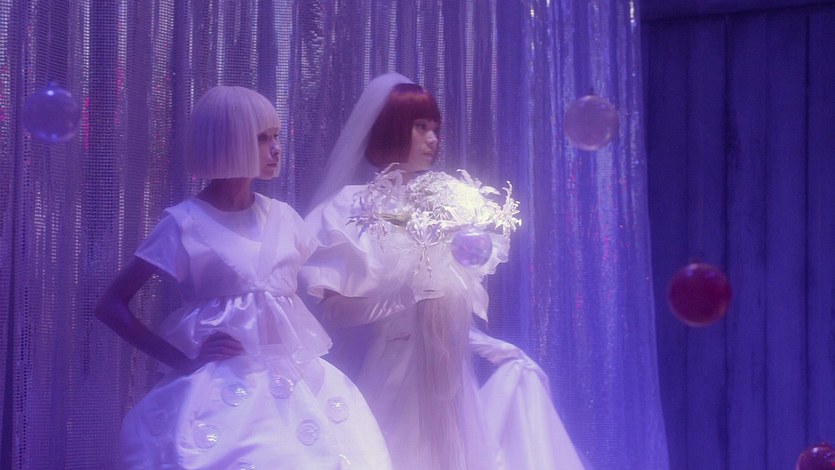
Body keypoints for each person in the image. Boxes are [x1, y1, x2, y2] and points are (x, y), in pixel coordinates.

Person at [95, 85, 392, 469]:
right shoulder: (185, 224)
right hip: (220, 390)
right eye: (262, 138)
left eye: (276, 136)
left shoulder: (284, 218)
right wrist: (181, 359)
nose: (276, 149)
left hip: (294, 383)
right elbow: (111, 305)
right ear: (227, 141)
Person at [301, 72, 585, 470]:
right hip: (396, 371)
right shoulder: (352, 208)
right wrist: (404, 296)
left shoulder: (443, 202)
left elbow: (448, 298)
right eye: (420, 127)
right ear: (391, 128)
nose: (433, 139)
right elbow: (334, 312)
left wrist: (488, 345)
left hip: (452, 372)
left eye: (435, 129)